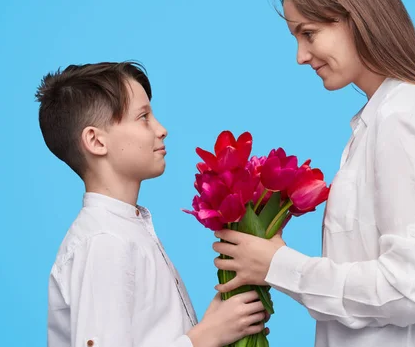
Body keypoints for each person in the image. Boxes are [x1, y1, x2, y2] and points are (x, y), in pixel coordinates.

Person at [212, 0, 415, 347]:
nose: (301, 56)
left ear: (356, 17)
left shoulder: (402, 117)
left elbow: (411, 288)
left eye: (308, 33)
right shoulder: (385, 117)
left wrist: (279, 266)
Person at [37, 62, 267, 347]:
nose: (162, 129)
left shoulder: (125, 228)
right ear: (96, 141)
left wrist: (213, 325)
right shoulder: (103, 242)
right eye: (143, 117)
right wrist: (204, 338)